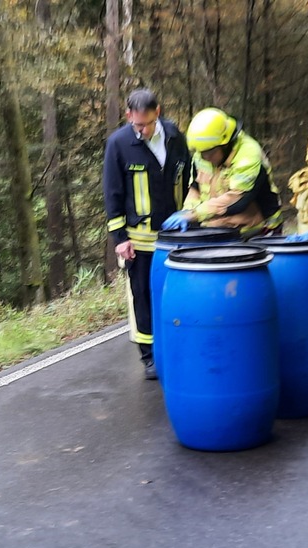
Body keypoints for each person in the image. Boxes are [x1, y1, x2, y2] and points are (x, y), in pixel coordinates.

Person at [103, 88, 192, 380]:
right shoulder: (119, 144)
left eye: (147, 124)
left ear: (159, 112)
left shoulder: (176, 137)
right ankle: (149, 355)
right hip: (138, 241)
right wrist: (120, 240)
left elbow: (189, 176)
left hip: (176, 237)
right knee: (143, 295)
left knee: (177, 294)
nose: (141, 130)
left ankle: (176, 347)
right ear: (128, 116)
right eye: (136, 124)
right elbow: (112, 193)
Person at [162, 108, 283, 239]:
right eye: (201, 152)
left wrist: (194, 215)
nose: (204, 157)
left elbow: (236, 201)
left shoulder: (248, 156)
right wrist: (187, 210)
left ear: (225, 144)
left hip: (258, 232)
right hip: (220, 231)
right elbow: (196, 188)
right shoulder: (203, 152)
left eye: (209, 153)